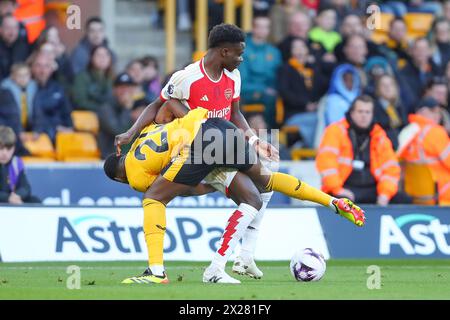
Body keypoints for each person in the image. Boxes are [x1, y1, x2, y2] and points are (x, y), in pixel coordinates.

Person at [105, 107, 366, 284]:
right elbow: (166, 106)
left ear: (119, 177)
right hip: (216, 124)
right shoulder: (143, 135)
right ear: (121, 153)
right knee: (265, 181)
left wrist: (205, 186)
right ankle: (333, 202)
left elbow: (180, 187)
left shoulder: (134, 175)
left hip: (199, 147)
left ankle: (156, 271)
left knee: (152, 199)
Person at [115, 23, 280, 283]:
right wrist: (131, 132)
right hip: (193, 153)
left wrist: (255, 140)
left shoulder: (234, 76)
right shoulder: (187, 77)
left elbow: (235, 114)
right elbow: (159, 103)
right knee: (156, 197)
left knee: (259, 193)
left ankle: (243, 257)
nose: (241, 58)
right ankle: (159, 270)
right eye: (238, 53)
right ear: (224, 51)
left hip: (222, 149)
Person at [317, 95, 406, 205]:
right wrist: (337, 189)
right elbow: (326, 164)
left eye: (367, 112)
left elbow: (391, 168)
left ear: (372, 114)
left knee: (403, 199)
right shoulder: (336, 131)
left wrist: (385, 194)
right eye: (360, 111)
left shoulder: (379, 135)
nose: (364, 115)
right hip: (344, 188)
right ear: (352, 112)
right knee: (339, 200)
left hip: (373, 189)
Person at [398, 97, 450, 205]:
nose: (437, 115)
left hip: (414, 197)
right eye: (433, 111)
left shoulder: (407, 131)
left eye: (438, 112)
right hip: (442, 197)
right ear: (421, 112)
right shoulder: (436, 132)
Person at [278, 37, 326, 148]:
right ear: (291, 51)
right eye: (295, 47)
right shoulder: (285, 69)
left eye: (302, 47)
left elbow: (324, 86)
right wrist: (305, 104)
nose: (299, 50)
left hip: (314, 113)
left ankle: (304, 145)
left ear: (307, 50)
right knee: (319, 120)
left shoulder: (312, 69)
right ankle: (313, 149)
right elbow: (285, 93)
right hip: (294, 114)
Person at [239, 15, 282, 127]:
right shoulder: (242, 51)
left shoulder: (274, 52)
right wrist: (263, 89)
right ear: (253, 28)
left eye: (266, 27)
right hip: (248, 91)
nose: (263, 30)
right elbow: (242, 80)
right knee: (270, 100)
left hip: (270, 90)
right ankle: (267, 133)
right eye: (259, 27)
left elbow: (278, 76)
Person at [30, 52, 73, 143]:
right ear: (32, 68)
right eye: (38, 66)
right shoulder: (27, 90)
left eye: (46, 66)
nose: (42, 70)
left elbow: (66, 113)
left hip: (59, 134)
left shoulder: (58, 88)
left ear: (51, 69)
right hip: (37, 134)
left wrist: (69, 128)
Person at [97, 72, 136, 158]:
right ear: (114, 90)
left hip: (132, 157)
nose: (125, 91)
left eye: (128, 87)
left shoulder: (139, 105)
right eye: (121, 87)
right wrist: (127, 109)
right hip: (112, 158)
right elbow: (118, 131)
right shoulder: (105, 108)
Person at [0, 125, 40, 204]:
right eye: (1, 148)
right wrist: (7, 198)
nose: (5, 153)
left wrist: (17, 196)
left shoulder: (16, 162)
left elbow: (25, 187)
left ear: (14, 148)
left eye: (8, 149)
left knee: (35, 200)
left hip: (11, 199)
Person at [71, 45, 114, 112]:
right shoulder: (82, 77)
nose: (102, 58)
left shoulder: (112, 78)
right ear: (91, 58)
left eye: (106, 55)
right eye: (99, 55)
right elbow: (80, 101)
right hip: (88, 115)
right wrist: (101, 108)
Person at [373, 74, 407, 150]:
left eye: (391, 84)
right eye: (383, 85)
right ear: (378, 89)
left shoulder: (399, 106)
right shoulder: (374, 108)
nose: (387, 88)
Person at [0, 14, 31, 81]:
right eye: (8, 28)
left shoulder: (24, 46)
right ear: (1, 30)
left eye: (15, 28)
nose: (12, 31)